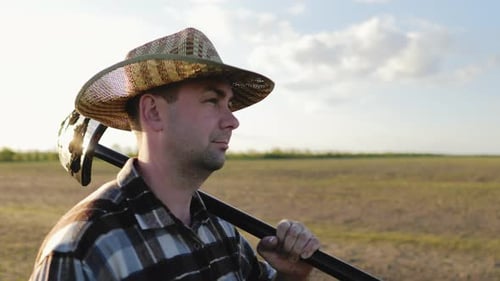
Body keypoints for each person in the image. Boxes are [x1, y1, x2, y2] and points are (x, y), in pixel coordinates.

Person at [30, 27, 320, 281]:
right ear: (153, 112)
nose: (232, 121)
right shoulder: (83, 251)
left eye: (229, 104)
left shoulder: (221, 232)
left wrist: (290, 275)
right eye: (212, 101)